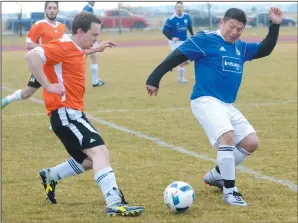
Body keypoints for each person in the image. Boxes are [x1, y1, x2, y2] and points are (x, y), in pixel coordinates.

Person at [146, 7, 282, 206]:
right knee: (227, 136)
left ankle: (217, 175)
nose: (235, 32)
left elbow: (265, 49)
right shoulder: (205, 39)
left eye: (240, 29)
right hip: (205, 100)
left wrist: (275, 25)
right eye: (232, 26)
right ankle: (230, 191)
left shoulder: (240, 47)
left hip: (226, 104)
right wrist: (154, 78)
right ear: (222, 23)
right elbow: (178, 55)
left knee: (250, 142)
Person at [24, 12, 144, 216]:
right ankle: (114, 203)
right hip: (65, 112)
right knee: (100, 152)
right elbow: (32, 55)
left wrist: (96, 48)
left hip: (72, 112)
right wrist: (47, 85)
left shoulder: (76, 46)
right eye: (94, 35)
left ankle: (51, 175)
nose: (95, 38)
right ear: (80, 31)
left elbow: (76, 52)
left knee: (88, 161)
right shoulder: (62, 45)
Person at [2, 2, 65, 110]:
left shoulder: (62, 26)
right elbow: (28, 44)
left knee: (61, 91)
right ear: (45, 10)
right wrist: (45, 48)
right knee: (27, 93)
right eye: (49, 8)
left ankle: (56, 120)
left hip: (58, 67)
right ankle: (6, 100)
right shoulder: (39, 25)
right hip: (43, 67)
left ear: (57, 10)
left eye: (54, 8)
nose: (52, 10)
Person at [162, 1, 194, 83]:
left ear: (183, 8)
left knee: (186, 60)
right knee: (181, 59)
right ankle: (181, 78)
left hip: (184, 41)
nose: (179, 9)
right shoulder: (171, 19)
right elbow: (164, 31)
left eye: (181, 7)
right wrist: (172, 37)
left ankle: (170, 64)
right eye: (178, 7)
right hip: (175, 42)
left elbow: (189, 27)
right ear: (175, 9)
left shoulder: (186, 16)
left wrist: (193, 35)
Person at [83, 1, 105, 87]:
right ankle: (95, 81)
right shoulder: (88, 9)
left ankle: (95, 79)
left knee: (86, 57)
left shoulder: (87, 8)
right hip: (88, 38)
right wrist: (94, 39)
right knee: (93, 56)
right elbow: (90, 26)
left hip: (84, 37)